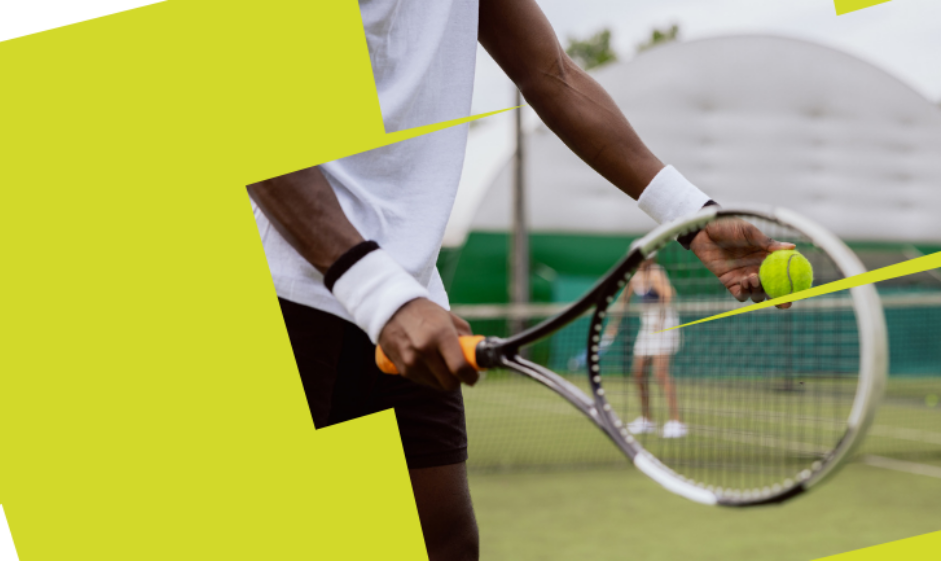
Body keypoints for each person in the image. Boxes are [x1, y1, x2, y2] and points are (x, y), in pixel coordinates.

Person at [247, 1, 792, 559]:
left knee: (449, 545)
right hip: (278, 287)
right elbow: (241, 89)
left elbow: (550, 73)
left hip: (408, 296)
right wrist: (377, 293)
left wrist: (693, 217)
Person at [607, 258, 687, 439]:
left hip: (665, 325)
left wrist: (660, 319)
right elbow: (623, 301)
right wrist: (614, 324)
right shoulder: (634, 277)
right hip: (647, 327)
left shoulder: (656, 273)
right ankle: (646, 419)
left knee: (660, 374)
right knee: (638, 373)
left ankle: (676, 422)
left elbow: (668, 294)